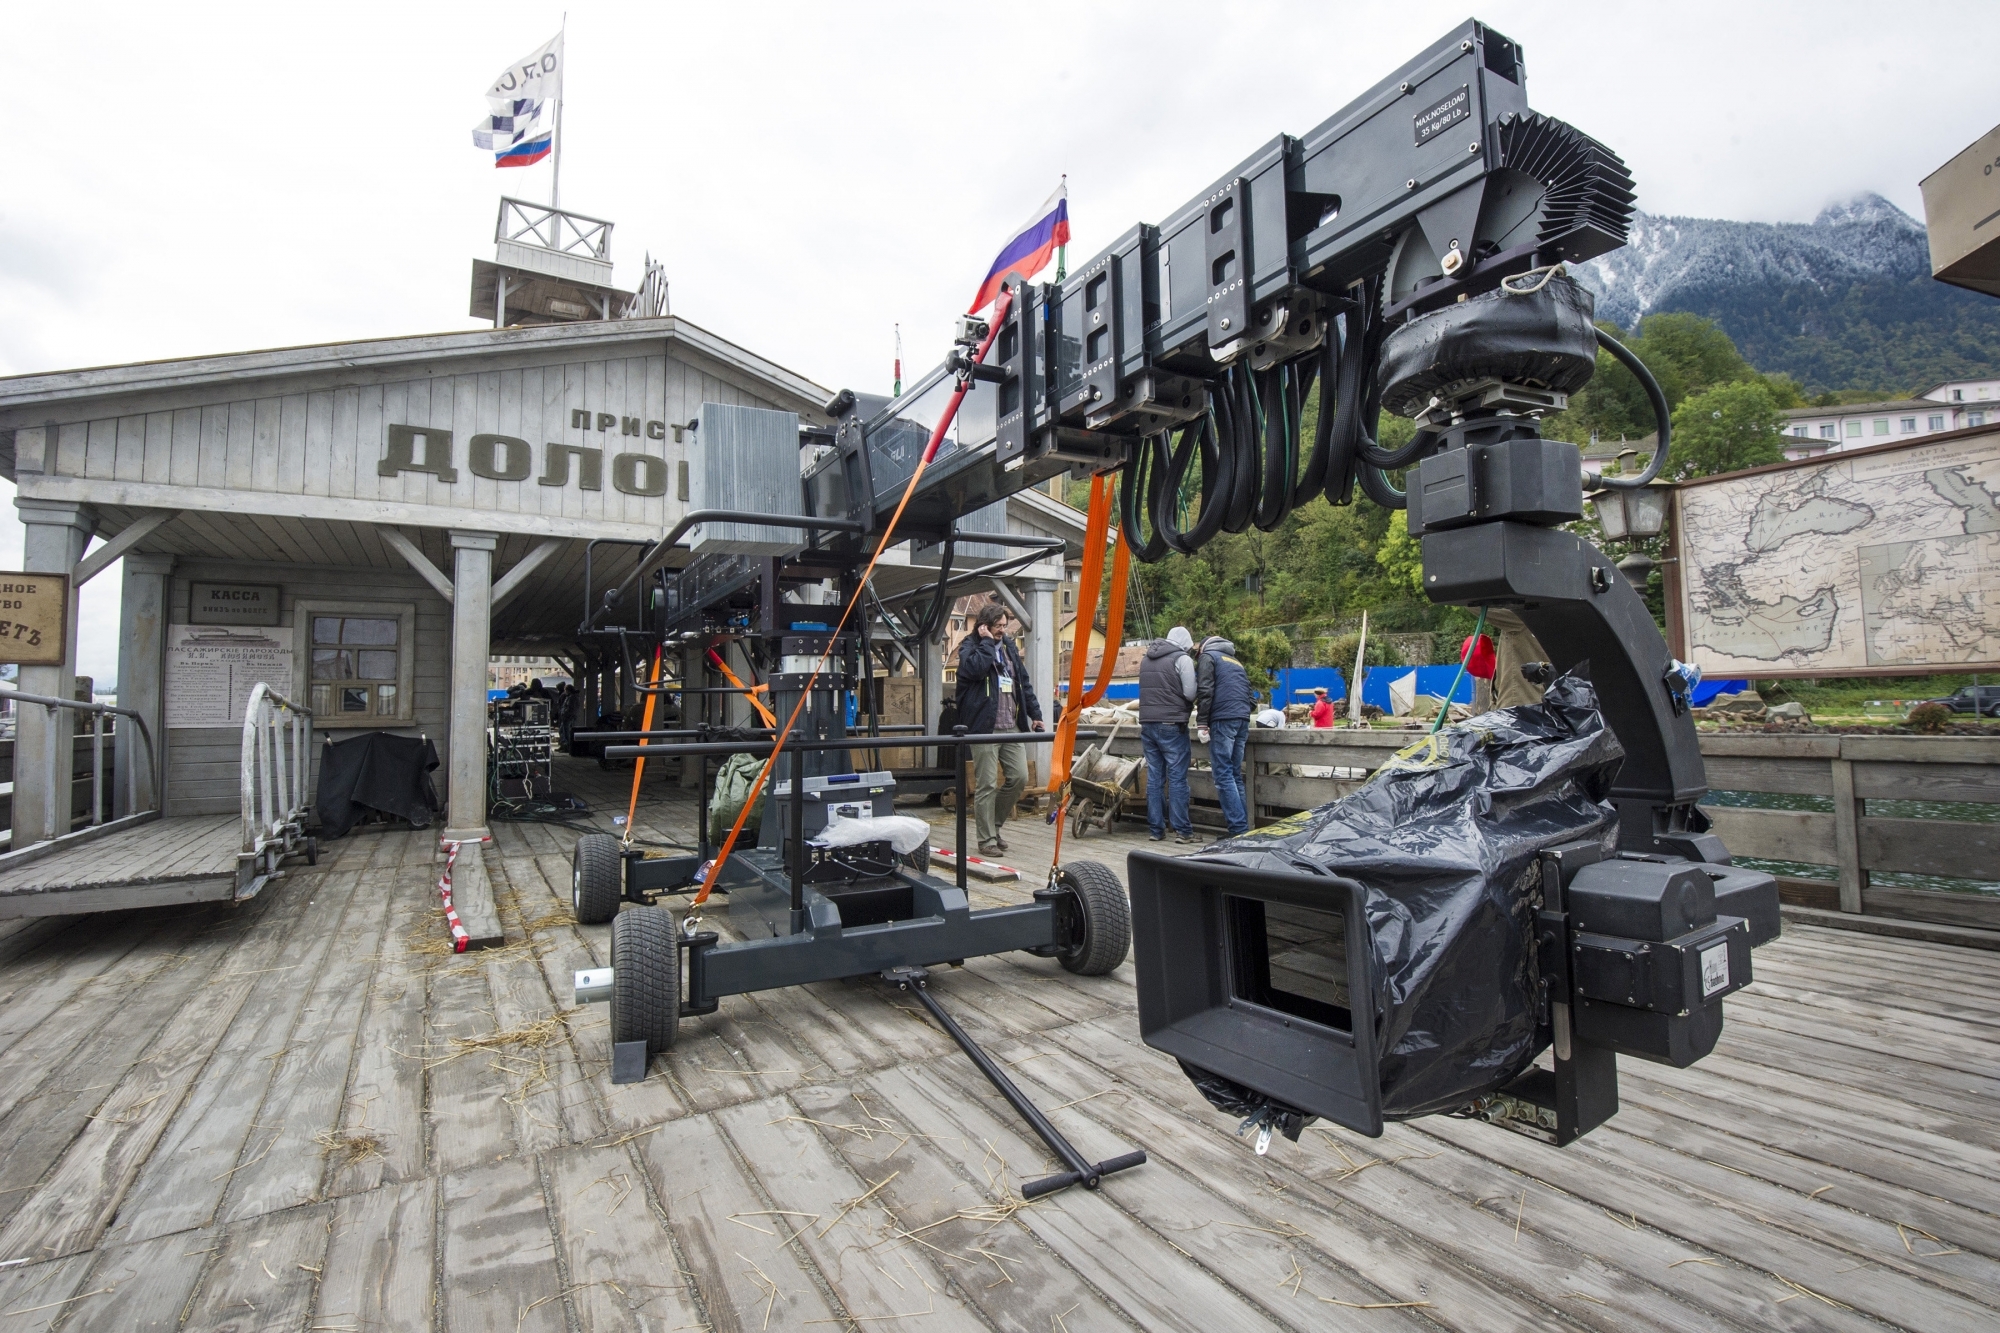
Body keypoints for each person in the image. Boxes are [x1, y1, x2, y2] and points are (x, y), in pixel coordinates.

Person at [954, 601, 1045, 856]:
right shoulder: (969, 647)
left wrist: (1035, 715)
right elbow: (975, 669)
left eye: (1005, 626)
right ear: (984, 625)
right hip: (984, 726)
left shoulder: (1008, 648)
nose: (1002, 631)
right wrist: (985, 642)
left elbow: (1022, 682)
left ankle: (993, 825)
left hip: (1011, 724)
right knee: (987, 784)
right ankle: (986, 841)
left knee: (1019, 778)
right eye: (997, 626)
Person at [1139, 626, 1198, 844]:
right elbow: (1190, 692)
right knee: (1177, 778)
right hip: (1172, 723)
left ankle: (1156, 829)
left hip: (1147, 723)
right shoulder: (1182, 659)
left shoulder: (1146, 659)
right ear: (1185, 643)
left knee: (1154, 777)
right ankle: (1183, 830)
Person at [1195, 633, 1254, 836]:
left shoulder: (1208, 657)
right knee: (1234, 774)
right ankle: (1243, 830)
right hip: (1242, 719)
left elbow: (1205, 690)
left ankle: (1237, 830)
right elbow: (1251, 697)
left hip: (1222, 719)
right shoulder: (1235, 662)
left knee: (1223, 775)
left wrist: (1202, 721)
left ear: (1203, 647)